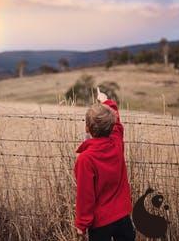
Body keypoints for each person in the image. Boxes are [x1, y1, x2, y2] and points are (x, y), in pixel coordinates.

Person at [74, 88, 135, 241]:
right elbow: (117, 122)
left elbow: (85, 196)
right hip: (123, 217)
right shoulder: (116, 142)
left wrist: (81, 224)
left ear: (87, 127)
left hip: (100, 224)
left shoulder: (86, 159)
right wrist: (106, 101)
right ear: (112, 125)